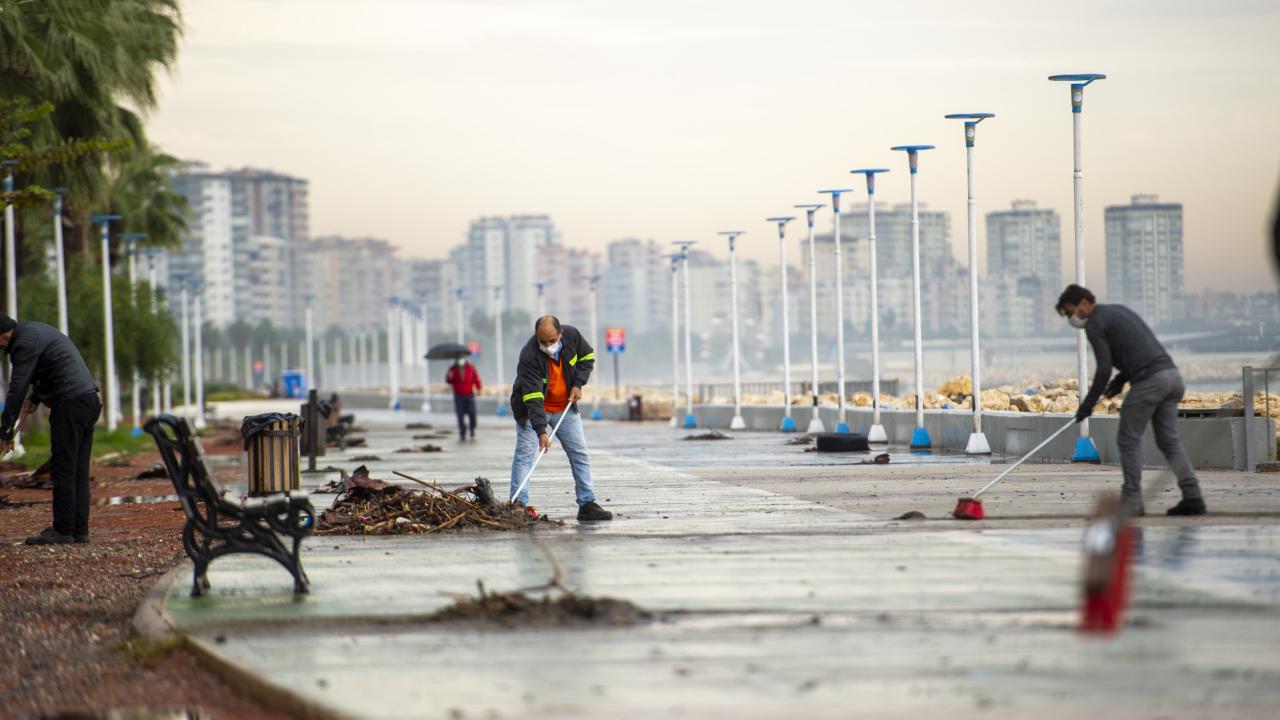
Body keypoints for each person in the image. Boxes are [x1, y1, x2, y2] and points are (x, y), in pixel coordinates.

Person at [1055, 285, 1206, 516]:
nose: (1072, 318)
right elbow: (1138, 349)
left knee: (1128, 440)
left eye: (1071, 311)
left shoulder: (1095, 324)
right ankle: (1193, 496)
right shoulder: (1119, 311)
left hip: (1150, 382)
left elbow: (1103, 368)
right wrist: (1121, 379)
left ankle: (1132, 500)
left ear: (1085, 302)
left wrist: (1088, 404)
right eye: (1068, 315)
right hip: (1172, 378)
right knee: (1169, 441)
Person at [0, 315, 103, 544]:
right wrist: (35, 397)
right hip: (88, 401)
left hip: (70, 404)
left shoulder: (22, 343)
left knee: (63, 468)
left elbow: (18, 385)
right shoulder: (35, 331)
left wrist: (5, 429)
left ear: (3, 336)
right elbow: (51, 367)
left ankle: (63, 530)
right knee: (77, 470)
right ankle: (79, 530)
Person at [509, 316, 612, 521]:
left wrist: (578, 384)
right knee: (525, 454)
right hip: (532, 411)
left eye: (552, 341)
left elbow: (587, 358)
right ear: (536, 336)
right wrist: (541, 431)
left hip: (565, 407)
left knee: (579, 453)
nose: (548, 346)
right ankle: (518, 505)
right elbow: (533, 397)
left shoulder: (573, 337)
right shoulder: (529, 355)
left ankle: (587, 504)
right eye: (543, 342)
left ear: (561, 334)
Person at [445, 357, 482, 440]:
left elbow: (476, 379)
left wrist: (479, 388)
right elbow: (448, 381)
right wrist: (449, 377)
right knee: (460, 414)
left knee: (472, 413)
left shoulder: (471, 367)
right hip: (458, 396)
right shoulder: (453, 368)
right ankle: (462, 431)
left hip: (469, 394)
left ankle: (472, 428)